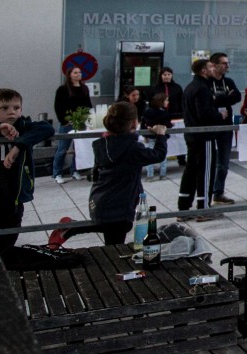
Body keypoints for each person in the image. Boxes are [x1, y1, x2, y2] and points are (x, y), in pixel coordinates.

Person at [49, 101, 166, 247]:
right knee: (114, 247)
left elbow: (96, 172)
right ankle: (72, 229)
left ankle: (71, 227)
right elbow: (158, 155)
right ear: (134, 123)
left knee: (120, 227)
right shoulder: (133, 148)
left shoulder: (102, 144)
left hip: (101, 197)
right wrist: (160, 134)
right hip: (120, 203)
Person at [0, 88, 54, 252]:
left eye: (16, 108)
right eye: (3, 108)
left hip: (14, 199)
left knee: (9, 241)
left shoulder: (24, 126)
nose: (11, 112)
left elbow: (46, 128)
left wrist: (19, 145)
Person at [179, 58, 225, 212]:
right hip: (204, 136)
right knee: (205, 171)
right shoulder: (202, 89)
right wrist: (220, 115)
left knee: (190, 170)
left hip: (192, 135)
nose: (215, 69)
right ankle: (203, 208)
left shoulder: (190, 87)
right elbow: (204, 114)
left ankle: (184, 206)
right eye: (211, 67)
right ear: (204, 71)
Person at [206, 53, 242, 204]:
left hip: (226, 126)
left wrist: (218, 99)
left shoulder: (228, 81)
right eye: (223, 63)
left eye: (227, 63)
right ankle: (205, 194)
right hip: (210, 126)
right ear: (214, 65)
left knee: (223, 162)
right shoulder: (206, 82)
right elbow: (206, 101)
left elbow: (237, 97)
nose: (227, 66)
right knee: (209, 161)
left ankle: (218, 192)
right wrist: (223, 99)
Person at [52, 65, 91, 183]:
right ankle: (57, 173)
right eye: (75, 73)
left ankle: (75, 170)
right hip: (67, 122)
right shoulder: (63, 89)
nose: (78, 74)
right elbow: (58, 106)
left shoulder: (84, 88)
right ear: (69, 75)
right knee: (63, 148)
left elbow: (88, 104)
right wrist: (64, 121)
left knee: (78, 148)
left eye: (79, 72)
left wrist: (88, 117)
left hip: (81, 122)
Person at [140, 89, 175, 179]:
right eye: (166, 100)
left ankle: (150, 175)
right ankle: (162, 174)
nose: (168, 102)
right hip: (161, 136)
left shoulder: (148, 111)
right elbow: (167, 124)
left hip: (151, 136)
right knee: (163, 155)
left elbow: (144, 123)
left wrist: (145, 134)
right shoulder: (164, 113)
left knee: (150, 155)